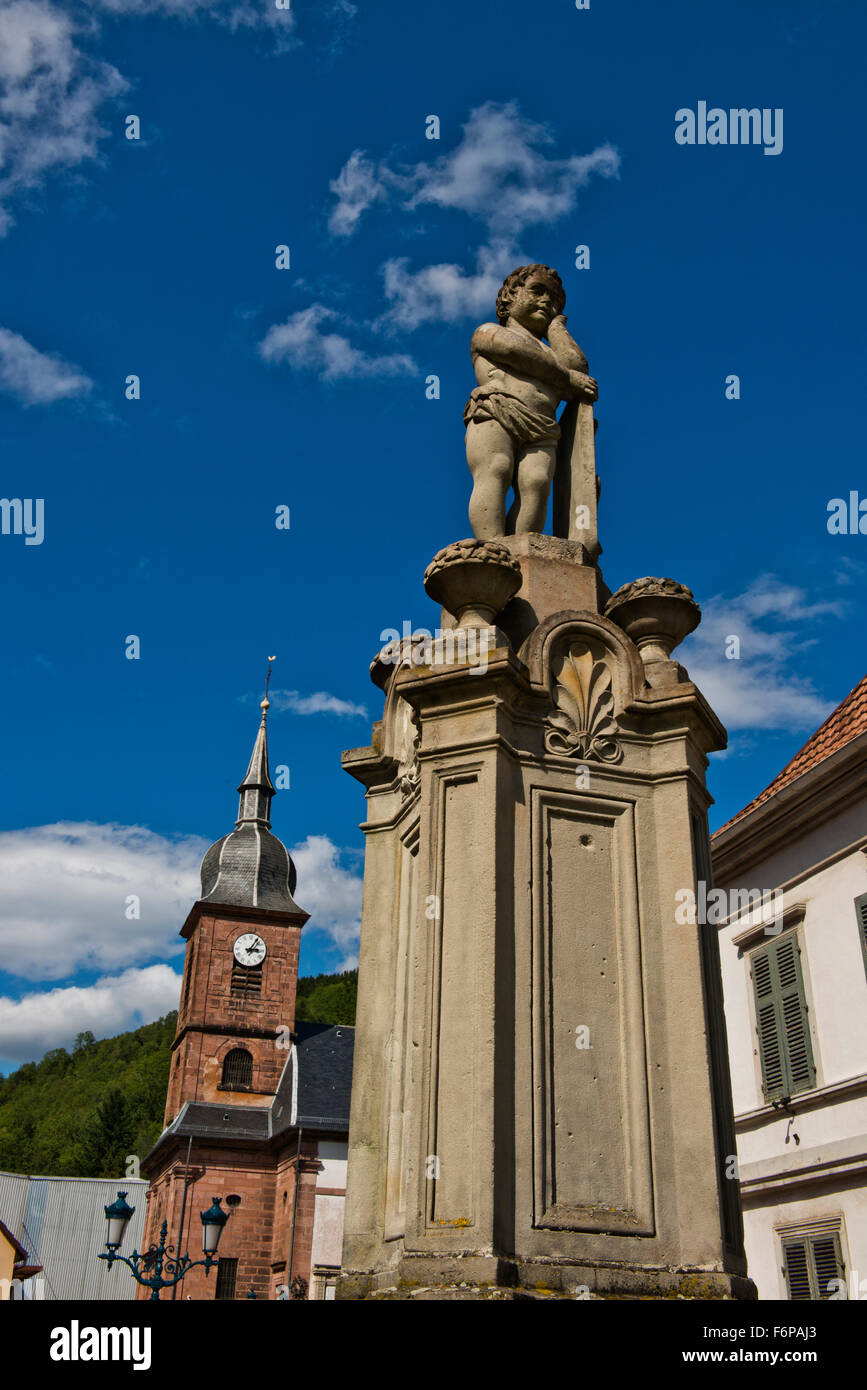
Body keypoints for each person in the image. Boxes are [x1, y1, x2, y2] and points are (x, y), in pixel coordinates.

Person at [464, 264, 597, 537]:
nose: (547, 301)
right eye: (537, 291)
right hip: (496, 409)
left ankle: (526, 553)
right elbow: (515, 351)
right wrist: (566, 378)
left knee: (536, 484)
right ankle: (492, 548)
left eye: (555, 300)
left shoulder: (553, 355)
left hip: (544, 427)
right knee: (496, 470)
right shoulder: (487, 331)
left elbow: (579, 369)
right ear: (509, 298)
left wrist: (557, 327)